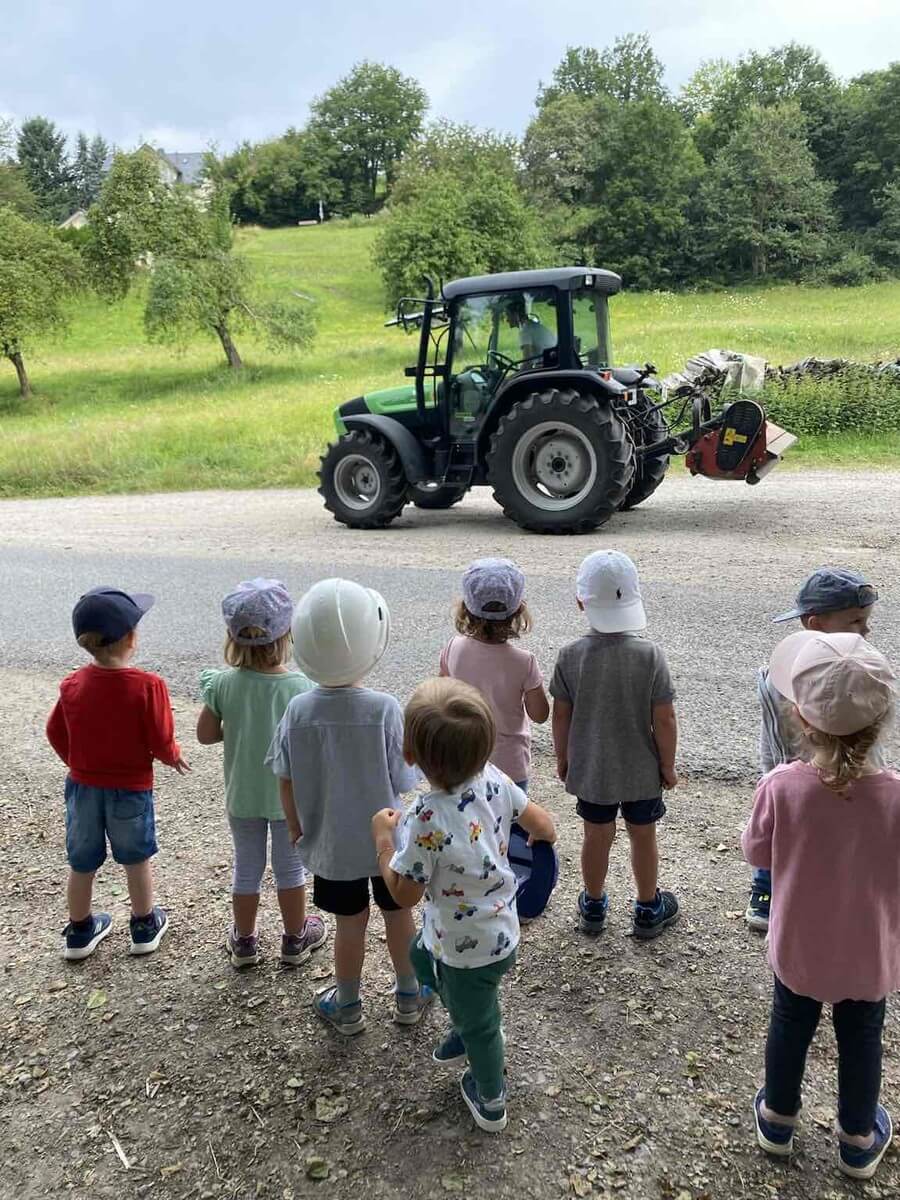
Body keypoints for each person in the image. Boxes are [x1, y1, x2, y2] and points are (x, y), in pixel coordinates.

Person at [743, 629, 899, 1181]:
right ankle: (857, 1140)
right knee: (862, 1037)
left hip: (799, 947)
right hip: (869, 954)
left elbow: (756, 851)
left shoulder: (781, 785)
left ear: (802, 720)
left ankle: (777, 1119)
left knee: (790, 1024)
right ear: (880, 721)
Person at [373, 677, 557, 1133]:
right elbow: (543, 824)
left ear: (410, 754)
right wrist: (541, 843)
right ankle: (465, 1019)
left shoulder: (425, 817)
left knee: (483, 1026)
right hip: (498, 928)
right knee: (419, 955)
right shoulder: (495, 778)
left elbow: (404, 895)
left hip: (465, 950)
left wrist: (383, 843)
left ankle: (490, 1097)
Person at [267, 578, 429, 1035]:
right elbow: (404, 780)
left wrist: (296, 828)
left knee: (348, 925)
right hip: (387, 844)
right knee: (399, 915)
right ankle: (410, 994)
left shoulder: (298, 710)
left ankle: (349, 1005)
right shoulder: (383, 708)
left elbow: (285, 778)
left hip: (332, 845)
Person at [46, 587, 189, 960]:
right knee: (136, 858)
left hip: (82, 788)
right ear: (130, 638)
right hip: (130, 789)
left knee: (81, 862)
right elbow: (160, 738)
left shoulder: (72, 685)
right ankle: (143, 925)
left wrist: (78, 763)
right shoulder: (148, 686)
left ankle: (79, 931)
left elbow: (55, 732)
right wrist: (173, 756)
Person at [197, 578, 327, 969]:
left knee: (247, 867)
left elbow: (205, 735)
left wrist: (238, 728)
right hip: (288, 800)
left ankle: (244, 942)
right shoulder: (300, 687)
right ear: (287, 634)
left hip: (243, 796)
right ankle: (294, 939)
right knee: (289, 868)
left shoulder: (223, 684)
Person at [550, 550, 679, 938]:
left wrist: (563, 757)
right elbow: (665, 719)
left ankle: (592, 905)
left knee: (596, 835)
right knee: (643, 835)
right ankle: (648, 907)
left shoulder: (570, 656)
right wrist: (667, 765)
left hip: (592, 769)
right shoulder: (650, 655)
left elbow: (561, 716)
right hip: (642, 770)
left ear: (581, 602)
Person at [746, 566, 879, 931]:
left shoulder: (858, 666)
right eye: (856, 622)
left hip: (848, 774)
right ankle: (766, 888)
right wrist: (777, 781)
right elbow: (776, 740)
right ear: (815, 623)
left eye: (866, 621)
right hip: (796, 779)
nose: (866, 631)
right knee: (783, 831)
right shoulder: (781, 677)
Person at [439, 557, 549, 790]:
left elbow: (440, 695)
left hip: (462, 757)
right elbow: (540, 714)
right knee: (512, 814)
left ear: (466, 607)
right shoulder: (524, 661)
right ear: (518, 610)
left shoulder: (453, 648)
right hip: (509, 765)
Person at [503, 295, 556, 364]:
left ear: (516, 315)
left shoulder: (526, 331)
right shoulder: (533, 326)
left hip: (547, 367)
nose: (507, 320)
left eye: (508, 315)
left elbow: (527, 363)